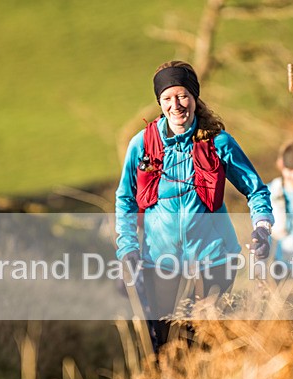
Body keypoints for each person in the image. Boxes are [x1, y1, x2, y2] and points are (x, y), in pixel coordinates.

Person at [115, 60, 274, 352]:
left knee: (204, 343)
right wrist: (127, 247)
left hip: (214, 260)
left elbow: (256, 190)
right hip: (160, 262)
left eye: (182, 95)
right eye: (167, 98)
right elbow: (125, 199)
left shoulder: (219, 143)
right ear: (159, 103)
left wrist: (262, 229)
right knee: (166, 347)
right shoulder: (142, 145)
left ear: (194, 98)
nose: (176, 105)